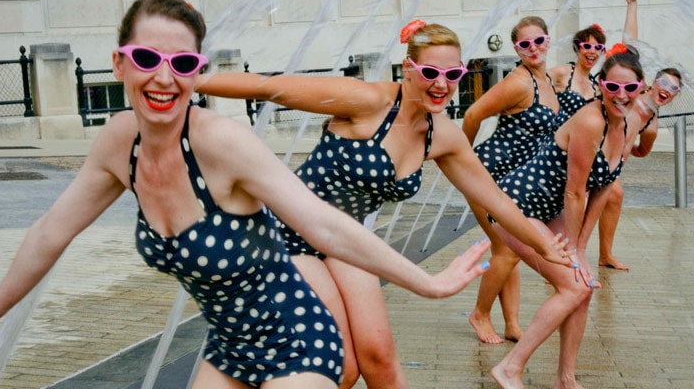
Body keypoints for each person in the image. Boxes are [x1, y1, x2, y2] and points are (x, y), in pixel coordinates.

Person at [0, 0, 496, 389]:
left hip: (297, 343)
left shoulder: (225, 144)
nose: (163, 78)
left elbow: (325, 224)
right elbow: (54, 228)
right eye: (146, 59)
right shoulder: (118, 144)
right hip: (229, 350)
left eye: (182, 64)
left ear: (198, 74)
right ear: (119, 62)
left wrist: (428, 282)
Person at [196, 20, 571, 388]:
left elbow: (498, 202)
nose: (442, 84)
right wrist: (184, 81)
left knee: (378, 358)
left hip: (345, 240)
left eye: (453, 73)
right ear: (408, 68)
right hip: (286, 237)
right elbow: (268, 88)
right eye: (429, 71)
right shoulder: (367, 102)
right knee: (338, 366)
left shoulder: (442, 137)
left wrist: (546, 247)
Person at [490, 44, 645, 389]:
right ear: (601, 84)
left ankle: (566, 379)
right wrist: (575, 251)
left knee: (584, 287)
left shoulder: (629, 123)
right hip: (517, 206)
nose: (621, 95)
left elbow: (604, 186)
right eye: (613, 87)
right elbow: (575, 192)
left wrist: (582, 248)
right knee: (573, 285)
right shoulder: (591, 120)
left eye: (630, 88)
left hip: (550, 211)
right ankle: (509, 368)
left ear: (640, 88)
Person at [461, 16, 566, 344]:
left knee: (509, 248)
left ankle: (512, 324)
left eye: (539, 41)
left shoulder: (548, 79)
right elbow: (472, 114)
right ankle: (479, 314)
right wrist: (462, 160)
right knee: (507, 248)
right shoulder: (519, 83)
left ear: (548, 40)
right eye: (524, 44)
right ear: (516, 49)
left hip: (513, 180)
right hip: (486, 175)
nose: (533, 49)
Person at [596, 67, 682, 270]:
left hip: (610, 168)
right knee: (578, 205)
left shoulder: (652, 125)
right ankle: (560, 259)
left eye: (674, 88)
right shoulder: (631, 97)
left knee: (615, 197)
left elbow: (643, 151)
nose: (667, 90)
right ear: (653, 83)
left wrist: (625, 148)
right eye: (664, 83)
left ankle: (605, 255)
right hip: (593, 155)